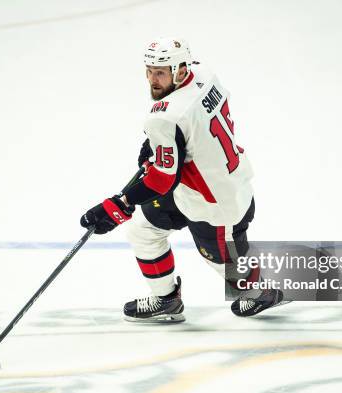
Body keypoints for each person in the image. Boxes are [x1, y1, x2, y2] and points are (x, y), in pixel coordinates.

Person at [80, 37, 283, 322]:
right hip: (192, 186)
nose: (153, 79)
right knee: (144, 231)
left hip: (215, 204)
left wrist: (120, 204)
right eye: (149, 70)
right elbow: (191, 127)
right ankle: (167, 299)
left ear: (180, 69)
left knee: (230, 269)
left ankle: (260, 292)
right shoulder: (203, 73)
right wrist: (161, 145)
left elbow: (161, 181)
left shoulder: (165, 117)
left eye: (160, 72)